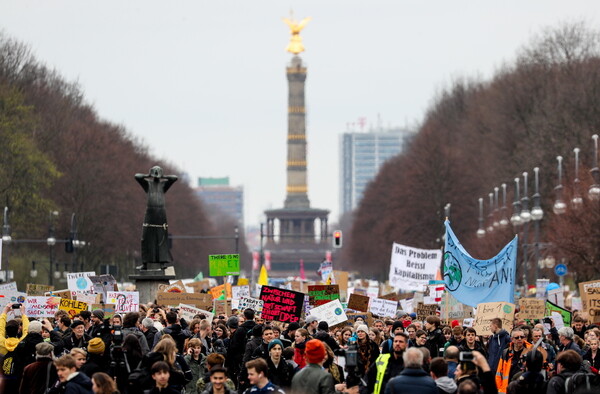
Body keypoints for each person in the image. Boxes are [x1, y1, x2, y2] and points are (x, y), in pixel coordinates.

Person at [135, 166, 178, 270]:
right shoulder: (148, 184)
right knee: (146, 237)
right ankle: (145, 263)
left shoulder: (163, 185)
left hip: (160, 212)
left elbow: (174, 178)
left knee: (161, 237)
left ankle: (163, 262)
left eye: (157, 173)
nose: (156, 175)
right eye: (155, 173)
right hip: (150, 212)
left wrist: (163, 176)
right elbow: (137, 176)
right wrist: (148, 175)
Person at [495, 328, 532, 394]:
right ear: (512, 339)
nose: (520, 339)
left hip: (525, 388)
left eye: (522, 337)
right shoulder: (505, 353)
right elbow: (499, 374)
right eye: (517, 337)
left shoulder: (530, 352)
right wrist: (500, 390)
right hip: (508, 389)